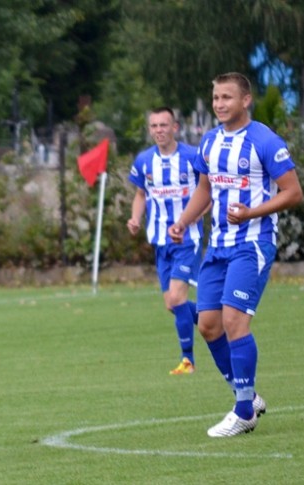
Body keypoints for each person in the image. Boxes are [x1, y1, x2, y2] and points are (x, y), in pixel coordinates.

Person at [169, 72, 303, 437]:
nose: (219, 104)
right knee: (208, 325)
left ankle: (243, 411)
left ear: (246, 100)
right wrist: (183, 221)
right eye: (216, 98)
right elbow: (205, 189)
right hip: (218, 246)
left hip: (253, 244)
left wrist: (251, 213)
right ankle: (248, 396)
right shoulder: (210, 141)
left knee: (234, 322)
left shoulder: (264, 140)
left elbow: (293, 192)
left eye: (227, 97)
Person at [127, 107, 203, 375]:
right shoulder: (144, 160)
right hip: (160, 241)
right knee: (172, 304)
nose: (159, 130)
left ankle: (188, 361)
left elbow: (208, 193)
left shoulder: (192, 157)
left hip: (187, 239)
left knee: (178, 297)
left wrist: (192, 219)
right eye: (154, 126)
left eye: (163, 125)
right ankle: (215, 321)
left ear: (175, 128)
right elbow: (141, 194)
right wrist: (135, 218)